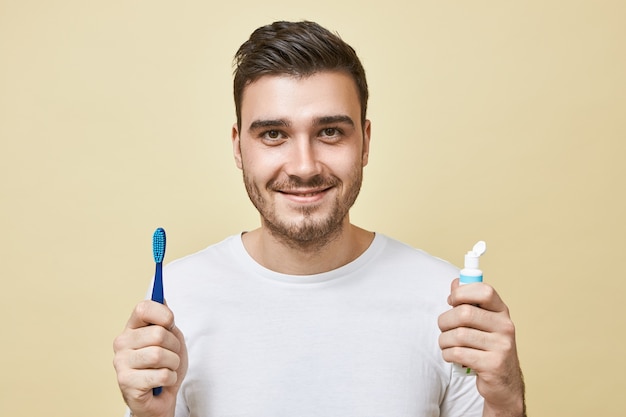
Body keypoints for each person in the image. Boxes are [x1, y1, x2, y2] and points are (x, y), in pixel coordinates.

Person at [113, 20, 526, 417]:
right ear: (239, 148)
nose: (304, 167)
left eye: (329, 132)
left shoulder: (447, 301)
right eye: (273, 134)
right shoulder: (177, 296)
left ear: (365, 142)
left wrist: (506, 403)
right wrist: (149, 415)